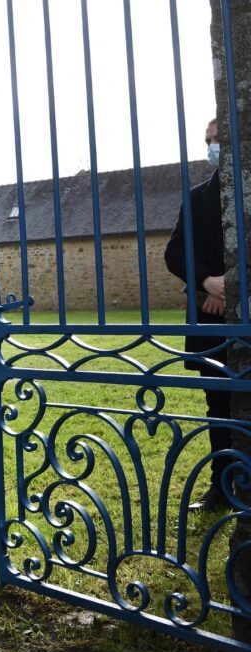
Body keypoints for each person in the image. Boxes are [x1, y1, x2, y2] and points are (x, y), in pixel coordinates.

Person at [164, 118, 234, 512]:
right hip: (210, 320)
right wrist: (207, 282)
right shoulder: (196, 196)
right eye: (208, 141)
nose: (212, 146)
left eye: (218, 139)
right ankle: (222, 486)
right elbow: (174, 253)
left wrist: (232, 288)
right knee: (218, 405)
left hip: (237, 313)